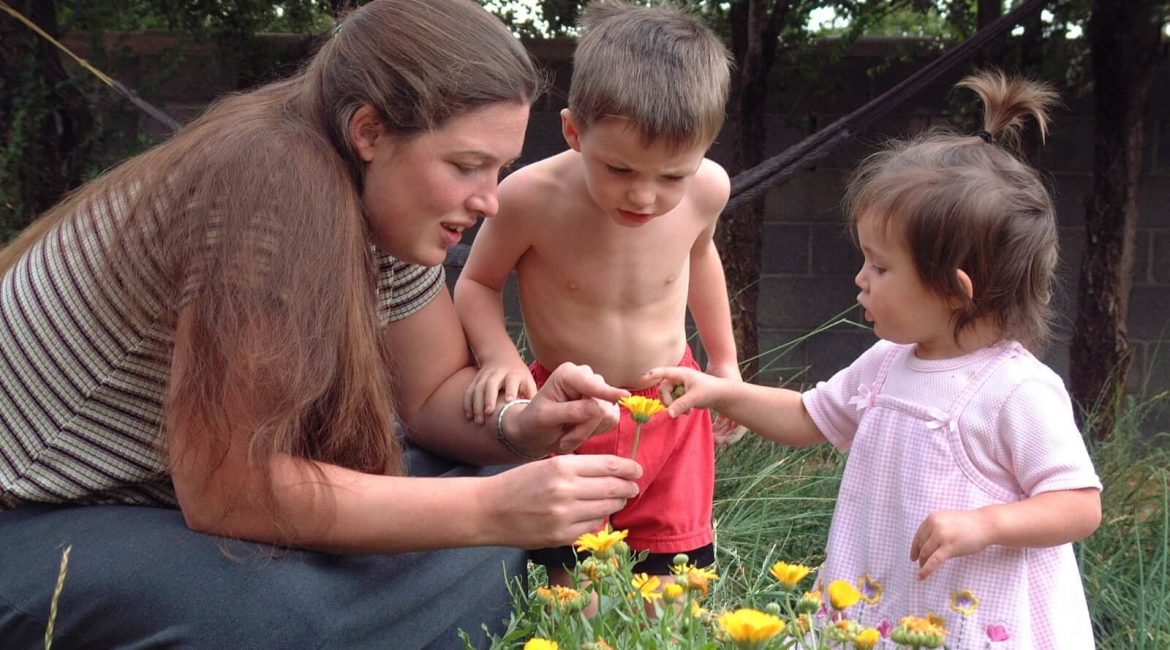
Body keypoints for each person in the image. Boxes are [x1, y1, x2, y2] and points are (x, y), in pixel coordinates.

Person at [0, 1, 645, 648]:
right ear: (368, 131)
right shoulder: (267, 195)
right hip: (39, 519)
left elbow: (430, 397)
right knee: (276, 617)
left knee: (483, 492)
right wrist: (491, 514)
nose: (490, 200)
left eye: (499, 169)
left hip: (163, 496)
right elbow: (231, 490)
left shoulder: (389, 207)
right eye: (466, 165)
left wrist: (519, 429)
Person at [645, 71, 1102, 648]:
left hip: (974, 619)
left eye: (880, 267)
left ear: (955, 289)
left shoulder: (1015, 389)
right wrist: (719, 392)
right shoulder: (888, 361)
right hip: (886, 606)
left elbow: (1078, 505)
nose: (860, 280)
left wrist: (987, 524)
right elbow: (810, 417)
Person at [453, 0, 742, 585]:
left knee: (674, 578)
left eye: (671, 176)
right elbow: (477, 283)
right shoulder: (530, 197)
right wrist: (500, 357)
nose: (644, 197)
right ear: (573, 131)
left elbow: (700, 257)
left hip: (671, 405)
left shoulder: (708, 189)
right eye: (620, 170)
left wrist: (726, 363)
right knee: (574, 584)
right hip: (571, 411)